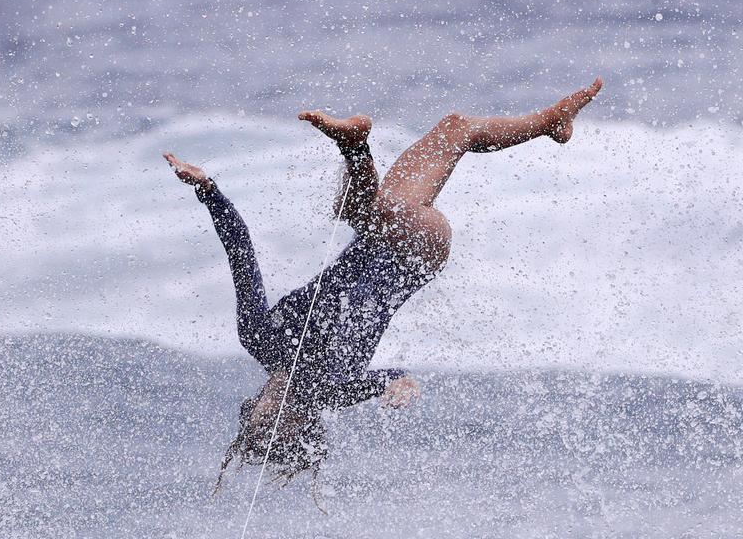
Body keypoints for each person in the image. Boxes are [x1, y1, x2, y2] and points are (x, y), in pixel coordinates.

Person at [164, 77, 603, 490]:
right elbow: (398, 377)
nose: (281, 411)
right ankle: (355, 146)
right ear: (307, 422)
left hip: (385, 226)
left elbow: (240, 253)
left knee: (454, 130)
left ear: (254, 408)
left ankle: (549, 122)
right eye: (290, 422)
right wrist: (401, 387)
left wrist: (207, 189)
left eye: (268, 418)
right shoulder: (333, 389)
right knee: (363, 212)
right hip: (416, 253)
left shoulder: (259, 335)